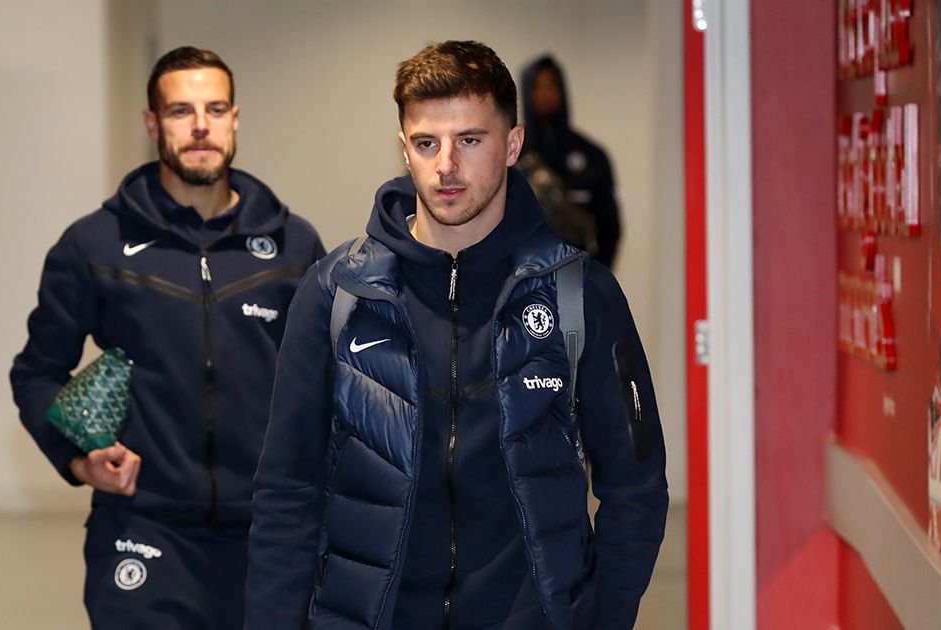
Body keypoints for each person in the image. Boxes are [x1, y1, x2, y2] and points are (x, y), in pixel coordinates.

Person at [246, 41, 666, 629]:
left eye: (470, 140)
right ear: (404, 150)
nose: (446, 165)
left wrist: (601, 616)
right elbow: (286, 490)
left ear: (513, 144)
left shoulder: (579, 294)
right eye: (427, 143)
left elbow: (635, 486)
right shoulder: (336, 294)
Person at [10, 46, 324, 629]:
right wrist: (80, 460)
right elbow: (36, 372)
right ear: (153, 124)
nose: (201, 126)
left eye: (215, 108)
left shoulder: (294, 248)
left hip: (269, 538)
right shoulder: (93, 246)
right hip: (142, 530)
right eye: (181, 111)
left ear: (235, 119)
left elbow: (329, 388)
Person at [519, 55, 622, 270]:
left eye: (551, 85)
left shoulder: (591, 155)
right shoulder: (510, 153)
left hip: (577, 270)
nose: (545, 94)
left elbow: (610, 227)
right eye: (537, 87)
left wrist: (597, 276)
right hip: (521, 273)